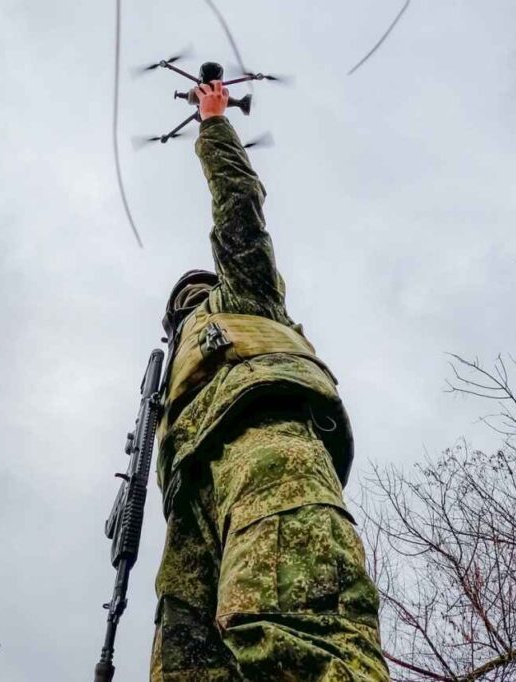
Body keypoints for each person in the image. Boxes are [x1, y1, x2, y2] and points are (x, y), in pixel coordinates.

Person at [151, 79, 389, 681]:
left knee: (296, 635)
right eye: (180, 305)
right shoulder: (168, 378)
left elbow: (239, 209)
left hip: (266, 449)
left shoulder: (245, 297)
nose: (188, 304)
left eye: (195, 293)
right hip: (191, 500)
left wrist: (213, 125)